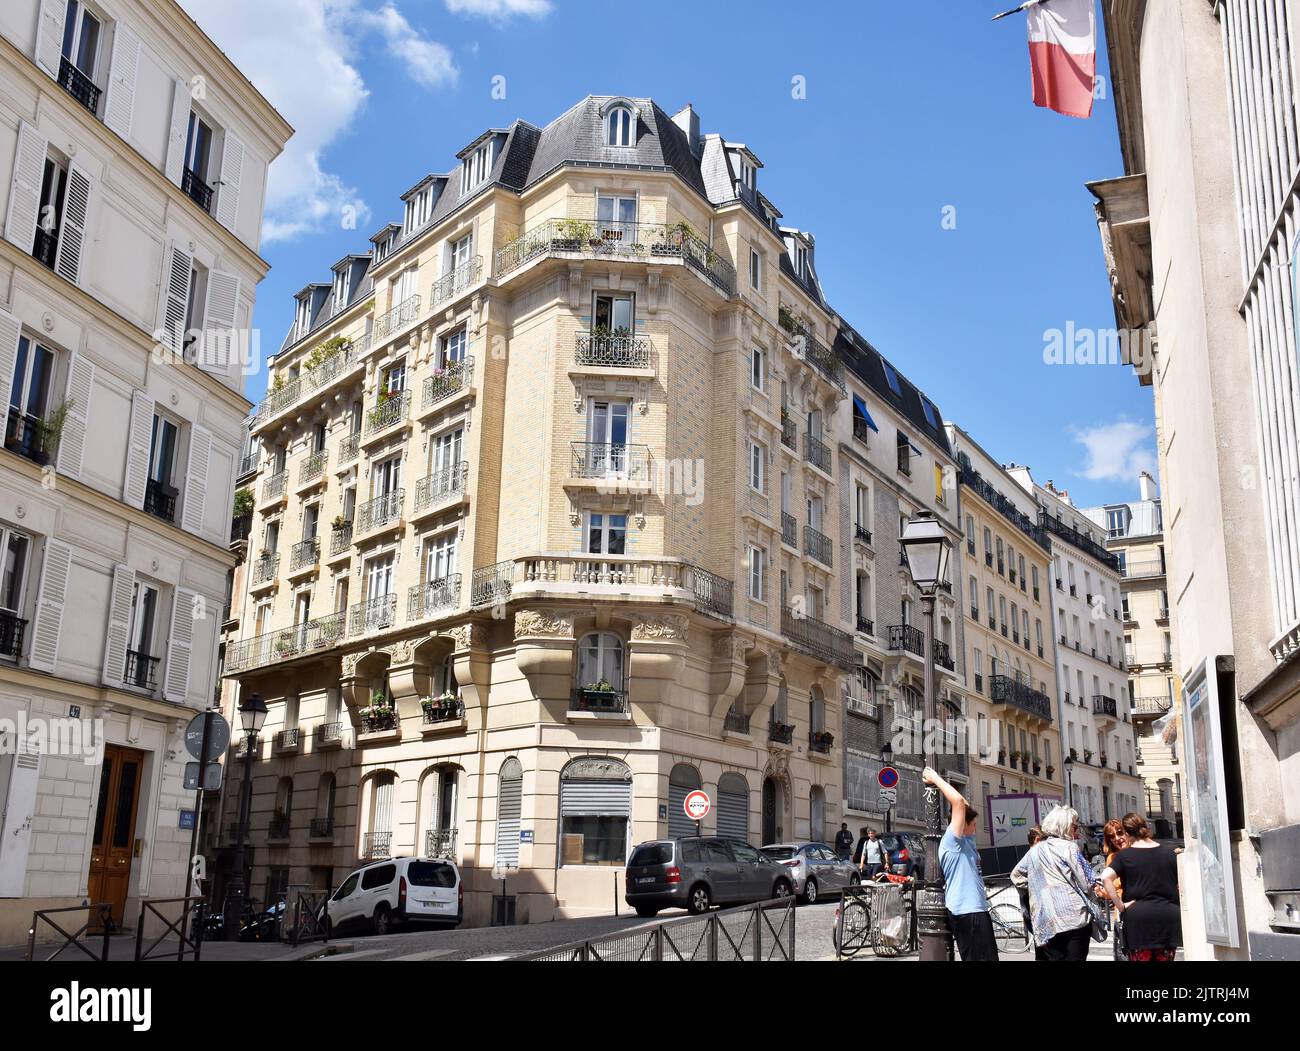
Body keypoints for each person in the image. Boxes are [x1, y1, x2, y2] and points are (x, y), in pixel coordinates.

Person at [922, 766, 997, 961]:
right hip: (966, 910)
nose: (976, 827)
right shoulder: (952, 841)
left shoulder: (967, 841)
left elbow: (963, 803)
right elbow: (958, 803)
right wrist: (936, 779)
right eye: (973, 824)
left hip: (976, 909)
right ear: (964, 824)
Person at [1010, 806, 1097, 961]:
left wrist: (1039, 887)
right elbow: (1086, 882)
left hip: (1048, 919)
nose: (1076, 832)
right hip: (1074, 917)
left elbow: (1016, 875)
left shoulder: (1035, 850)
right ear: (1063, 826)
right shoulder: (1070, 847)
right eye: (1075, 827)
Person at [1101, 812, 1181, 962]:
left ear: (1126, 832)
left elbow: (1105, 877)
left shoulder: (1124, 856)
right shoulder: (1169, 853)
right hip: (1168, 918)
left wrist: (1121, 905)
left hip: (1139, 919)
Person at [1100, 819, 1131, 960]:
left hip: (1138, 910)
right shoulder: (1112, 857)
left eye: (1119, 833)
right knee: (1121, 956)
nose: (1117, 839)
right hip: (1120, 914)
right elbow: (1112, 889)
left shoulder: (1137, 851)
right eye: (1111, 836)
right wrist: (1103, 893)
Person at [1012, 827, 1045, 929]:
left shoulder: (1035, 855)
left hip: (1034, 911)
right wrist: (1035, 885)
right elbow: (1015, 875)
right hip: (1033, 911)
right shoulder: (1031, 856)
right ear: (1037, 840)